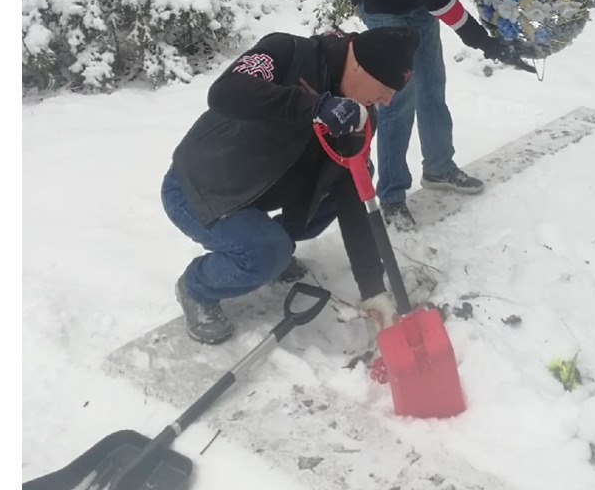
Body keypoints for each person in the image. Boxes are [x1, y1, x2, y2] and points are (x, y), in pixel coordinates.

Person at [162, 25, 420, 344]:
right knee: (266, 252)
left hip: (258, 190)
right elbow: (225, 92)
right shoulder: (288, 53)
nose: (387, 99)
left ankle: (269, 250)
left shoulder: (360, 114)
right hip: (201, 188)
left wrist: (372, 290)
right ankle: (196, 287)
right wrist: (315, 107)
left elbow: (355, 192)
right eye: (384, 86)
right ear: (357, 63)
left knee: (356, 172)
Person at [350, 0, 531, 231]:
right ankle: (393, 197)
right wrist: (481, 39)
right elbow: (440, 2)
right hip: (384, 2)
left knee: (433, 85)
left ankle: (439, 168)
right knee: (401, 98)